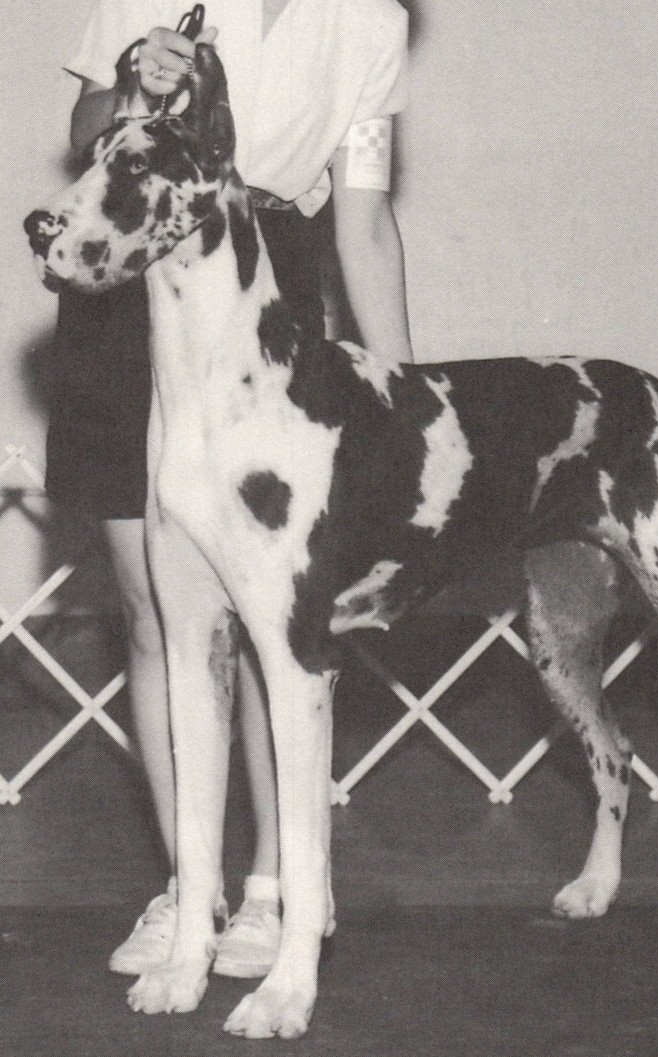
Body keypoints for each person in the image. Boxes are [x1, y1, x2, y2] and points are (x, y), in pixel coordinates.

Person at [48, 0, 412, 980]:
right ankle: (190, 886)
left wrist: (404, 400)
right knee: (153, 612)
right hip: (126, 274)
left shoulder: (373, 24)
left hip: (262, 287)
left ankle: (272, 888)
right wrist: (131, 87)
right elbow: (83, 131)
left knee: (270, 624)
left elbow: (365, 224)